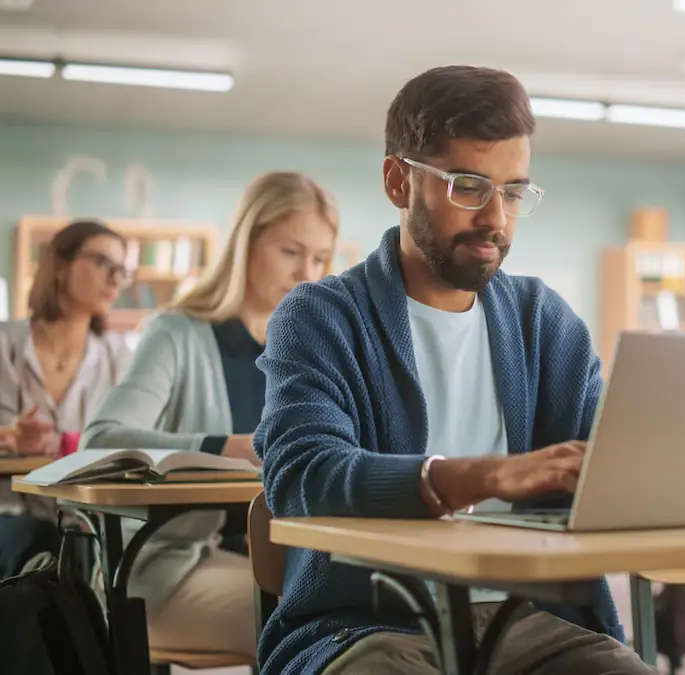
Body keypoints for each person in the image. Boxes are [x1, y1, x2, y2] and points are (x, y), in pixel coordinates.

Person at [254, 66, 656, 675]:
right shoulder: (319, 317)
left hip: (528, 618)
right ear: (398, 181)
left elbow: (608, 461)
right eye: (469, 186)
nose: (496, 217)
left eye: (514, 191)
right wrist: (485, 476)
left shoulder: (543, 320)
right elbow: (300, 475)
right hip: (368, 626)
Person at [79, 171, 338, 658]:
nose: (308, 272)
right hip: (172, 570)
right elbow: (98, 440)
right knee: (331, 630)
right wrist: (219, 447)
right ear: (246, 243)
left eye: (320, 258)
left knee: (387, 610)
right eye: (290, 251)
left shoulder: (310, 352)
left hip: (281, 561)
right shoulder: (176, 333)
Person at [0, 219, 131, 586]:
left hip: (88, 523)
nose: (116, 279)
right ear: (60, 264)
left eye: (123, 270)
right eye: (103, 262)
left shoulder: (119, 359)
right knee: (48, 552)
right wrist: (5, 440)